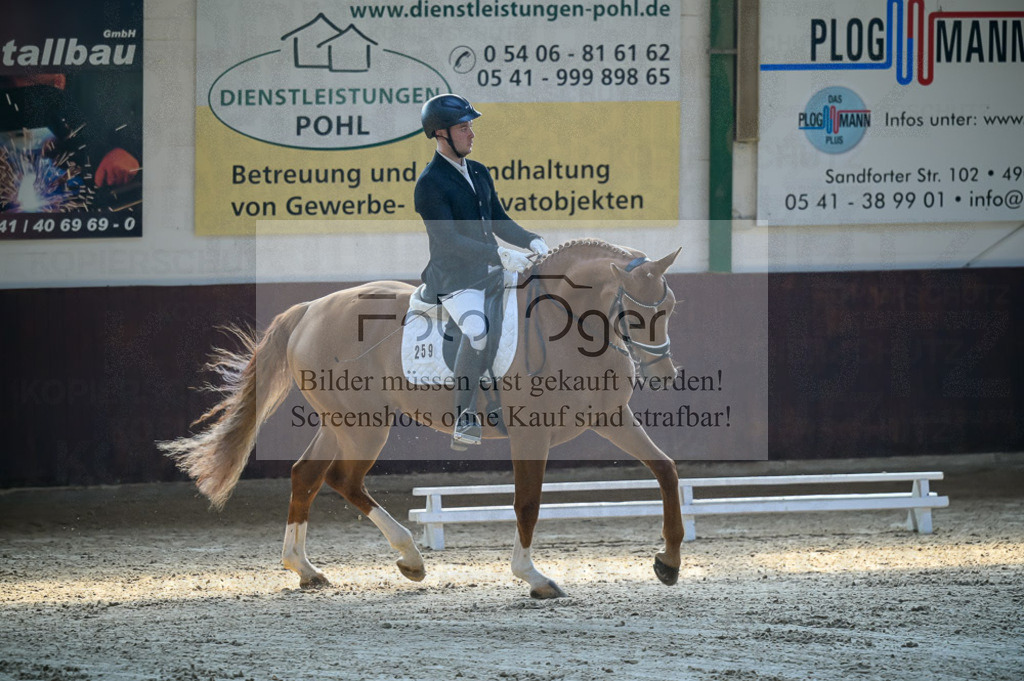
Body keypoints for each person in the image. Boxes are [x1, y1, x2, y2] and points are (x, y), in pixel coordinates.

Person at [414, 94, 549, 449]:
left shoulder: (478, 171)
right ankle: (465, 416)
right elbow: (448, 240)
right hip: (455, 279)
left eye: (470, 125)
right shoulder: (429, 184)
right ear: (441, 135)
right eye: (463, 127)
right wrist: (500, 255)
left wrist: (531, 240)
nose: (471, 133)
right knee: (477, 330)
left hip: (489, 270)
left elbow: (499, 220)